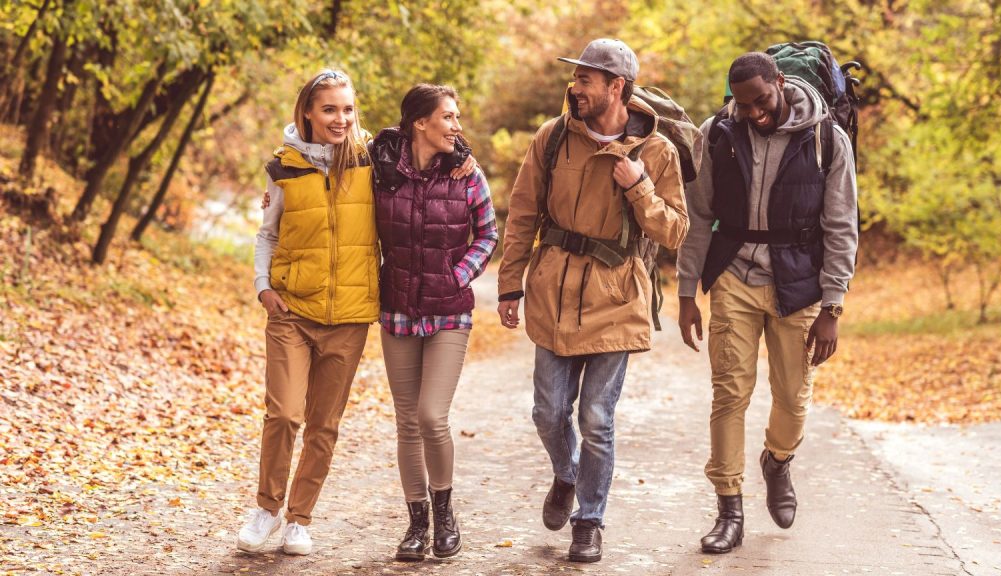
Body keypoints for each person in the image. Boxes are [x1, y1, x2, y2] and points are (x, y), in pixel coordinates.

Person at [497, 39, 688, 563]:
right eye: (576, 77)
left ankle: (589, 520)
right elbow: (522, 213)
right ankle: (567, 474)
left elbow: (675, 231)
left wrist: (640, 186)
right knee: (548, 412)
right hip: (553, 291)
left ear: (616, 86)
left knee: (597, 418)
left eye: (585, 79)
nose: (575, 87)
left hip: (617, 295)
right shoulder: (554, 136)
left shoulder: (657, 152)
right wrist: (510, 284)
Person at [675, 52, 858, 554]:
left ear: (779, 81)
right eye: (743, 105)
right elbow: (697, 215)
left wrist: (833, 307)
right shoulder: (718, 133)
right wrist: (687, 292)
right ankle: (728, 509)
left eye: (761, 101)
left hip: (799, 284)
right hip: (733, 275)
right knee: (729, 394)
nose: (753, 113)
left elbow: (841, 225)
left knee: (793, 398)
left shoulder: (825, 138)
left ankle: (777, 461)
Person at [239, 69, 379, 556]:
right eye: (329, 109)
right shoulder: (284, 167)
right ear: (308, 112)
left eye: (348, 109)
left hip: (350, 315)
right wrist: (263, 287)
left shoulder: (371, 160)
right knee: (283, 413)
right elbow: (268, 233)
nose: (341, 119)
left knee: (324, 424)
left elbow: (429, 152)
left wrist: (463, 157)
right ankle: (266, 508)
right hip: (292, 311)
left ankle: (299, 519)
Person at [370, 84, 497, 562]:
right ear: (419, 122)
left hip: (450, 312)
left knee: (430, 416)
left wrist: (457, 274)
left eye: (457, 117)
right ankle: (417, 523)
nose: (457, 127)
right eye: (448, 117)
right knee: (407, 422)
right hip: (397, 309)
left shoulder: (467, 174)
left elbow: (488, 233)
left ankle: (445, 514)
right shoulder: (380, 170)